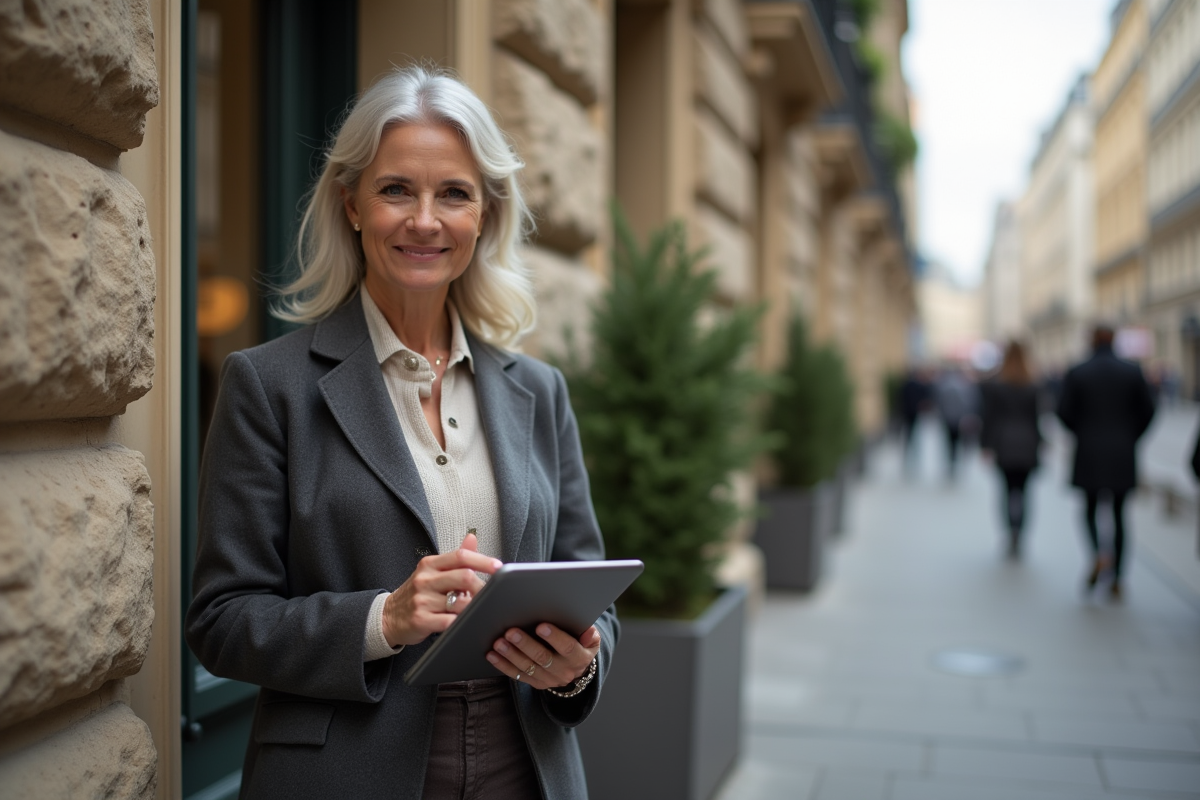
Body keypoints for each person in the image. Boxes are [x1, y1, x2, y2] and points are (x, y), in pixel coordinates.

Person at [185, 66, 617, 799]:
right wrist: (383, 618)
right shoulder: (267, 385)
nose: (425, 220)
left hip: (526, 763)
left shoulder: (539, 391)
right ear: (351, 204)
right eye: (395, 190)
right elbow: (222, 622)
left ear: (485, 214)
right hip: (343, 771)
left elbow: (591, 591)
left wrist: (576, 671)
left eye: (453, 193)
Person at [1056, 325, 1156, 600]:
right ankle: (1118, 577)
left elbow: (1063, 411)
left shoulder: (1078, 371)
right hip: (1122, 451)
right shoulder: (1132, 371)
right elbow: (1148, 410)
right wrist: (1130, 436)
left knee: (1089, 509)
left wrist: (1082, 432)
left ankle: (1098, 554)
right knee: (1120, 514)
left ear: (1091, 341)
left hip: (1089, 450)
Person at [980, 341, 1042, 558]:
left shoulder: (997, 386)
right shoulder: (1032, 385)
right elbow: (1036, 419)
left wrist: (985, 445)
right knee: (1024, 492)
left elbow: (989, 418)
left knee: (1006, 492)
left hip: (1004, 443)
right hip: (1027, 443)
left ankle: (1010, 532)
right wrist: (1040, 443)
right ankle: (1020, 532)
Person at [934, 364, 979, 480]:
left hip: (948, 419)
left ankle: (952, 460)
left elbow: (939, 403)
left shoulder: (943, 386)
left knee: (950, 441)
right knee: (960, 441)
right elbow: (970, 403)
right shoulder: (965, 386)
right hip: (960, 418)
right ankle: (957, 460)